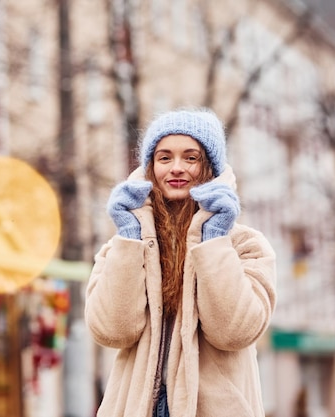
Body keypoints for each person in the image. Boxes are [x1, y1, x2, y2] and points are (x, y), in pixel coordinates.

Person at [84, 108, 277, 417]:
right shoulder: (121, 246)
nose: (176, 168)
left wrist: (214, 239)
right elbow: (112, 330)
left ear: (210, 167)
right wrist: (130, 235)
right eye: (164, 158)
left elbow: (234, 332)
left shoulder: (246, 246)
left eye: (191, 158)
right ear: (150, 167)